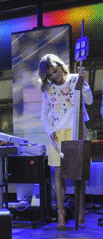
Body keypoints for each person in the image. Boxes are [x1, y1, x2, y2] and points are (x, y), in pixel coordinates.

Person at [38, 53, 93, 229]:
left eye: (56, 70)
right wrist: (51, 131)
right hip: (57, 133)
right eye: (51, 74)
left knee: (79, 175)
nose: (55, 76)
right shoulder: (49, 89)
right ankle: (60, 213)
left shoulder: (76, 79)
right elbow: (44, 115)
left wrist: (83, 82)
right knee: (59, 174)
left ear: (61, 66)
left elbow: (90, 101)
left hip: (77, 129)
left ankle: (80, 212)